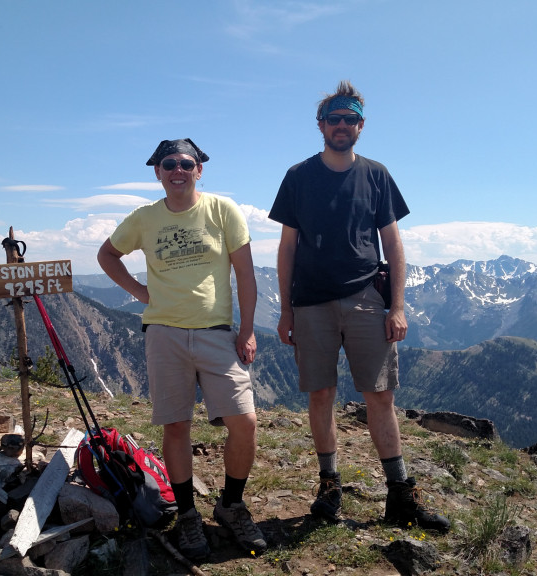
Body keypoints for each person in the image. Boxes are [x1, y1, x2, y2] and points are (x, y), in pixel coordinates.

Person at [268, 81, 450, 532]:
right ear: (321, 125)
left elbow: (394, 243)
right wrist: (286, 309)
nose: (342, 126)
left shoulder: (376, 175)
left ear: (361, 126)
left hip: (368, 299)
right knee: (321, 395)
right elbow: (287, 248)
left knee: (380, 396)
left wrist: (398, 305)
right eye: (335, 118)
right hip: (310, 303)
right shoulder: (297, 177)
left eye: (350, 119)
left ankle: (400, 494)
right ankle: (330, 485)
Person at [97, 138, 268, 560]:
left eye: (185, 163)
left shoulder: (222, 210)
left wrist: (247, 330)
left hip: (216, 332)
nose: (177, 170)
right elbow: (107, 254)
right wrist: (140, 292)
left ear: (199, 170)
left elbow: (245, 275)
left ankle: (231, 503)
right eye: (168, 163)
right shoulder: (144, 218)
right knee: (176, 425)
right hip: (164, 332)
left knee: (244, 421)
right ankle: (189, 514)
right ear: (158, 171)